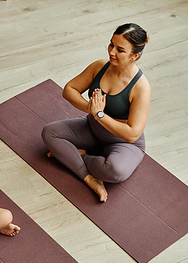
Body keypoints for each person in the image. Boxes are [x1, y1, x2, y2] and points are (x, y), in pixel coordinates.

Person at [42, 23, 151, 203]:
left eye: (120, 50)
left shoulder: (141, 87)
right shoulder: (100, 66)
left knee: (115, 171)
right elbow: (69, 89)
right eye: (111, 44)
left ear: (135, 55)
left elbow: (132, 134)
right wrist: (90, 109)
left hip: (122, 141)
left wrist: (100, 115)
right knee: (49, 132)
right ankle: (88, 177)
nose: (112, 52)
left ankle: (80, 155)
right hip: (92, 128)